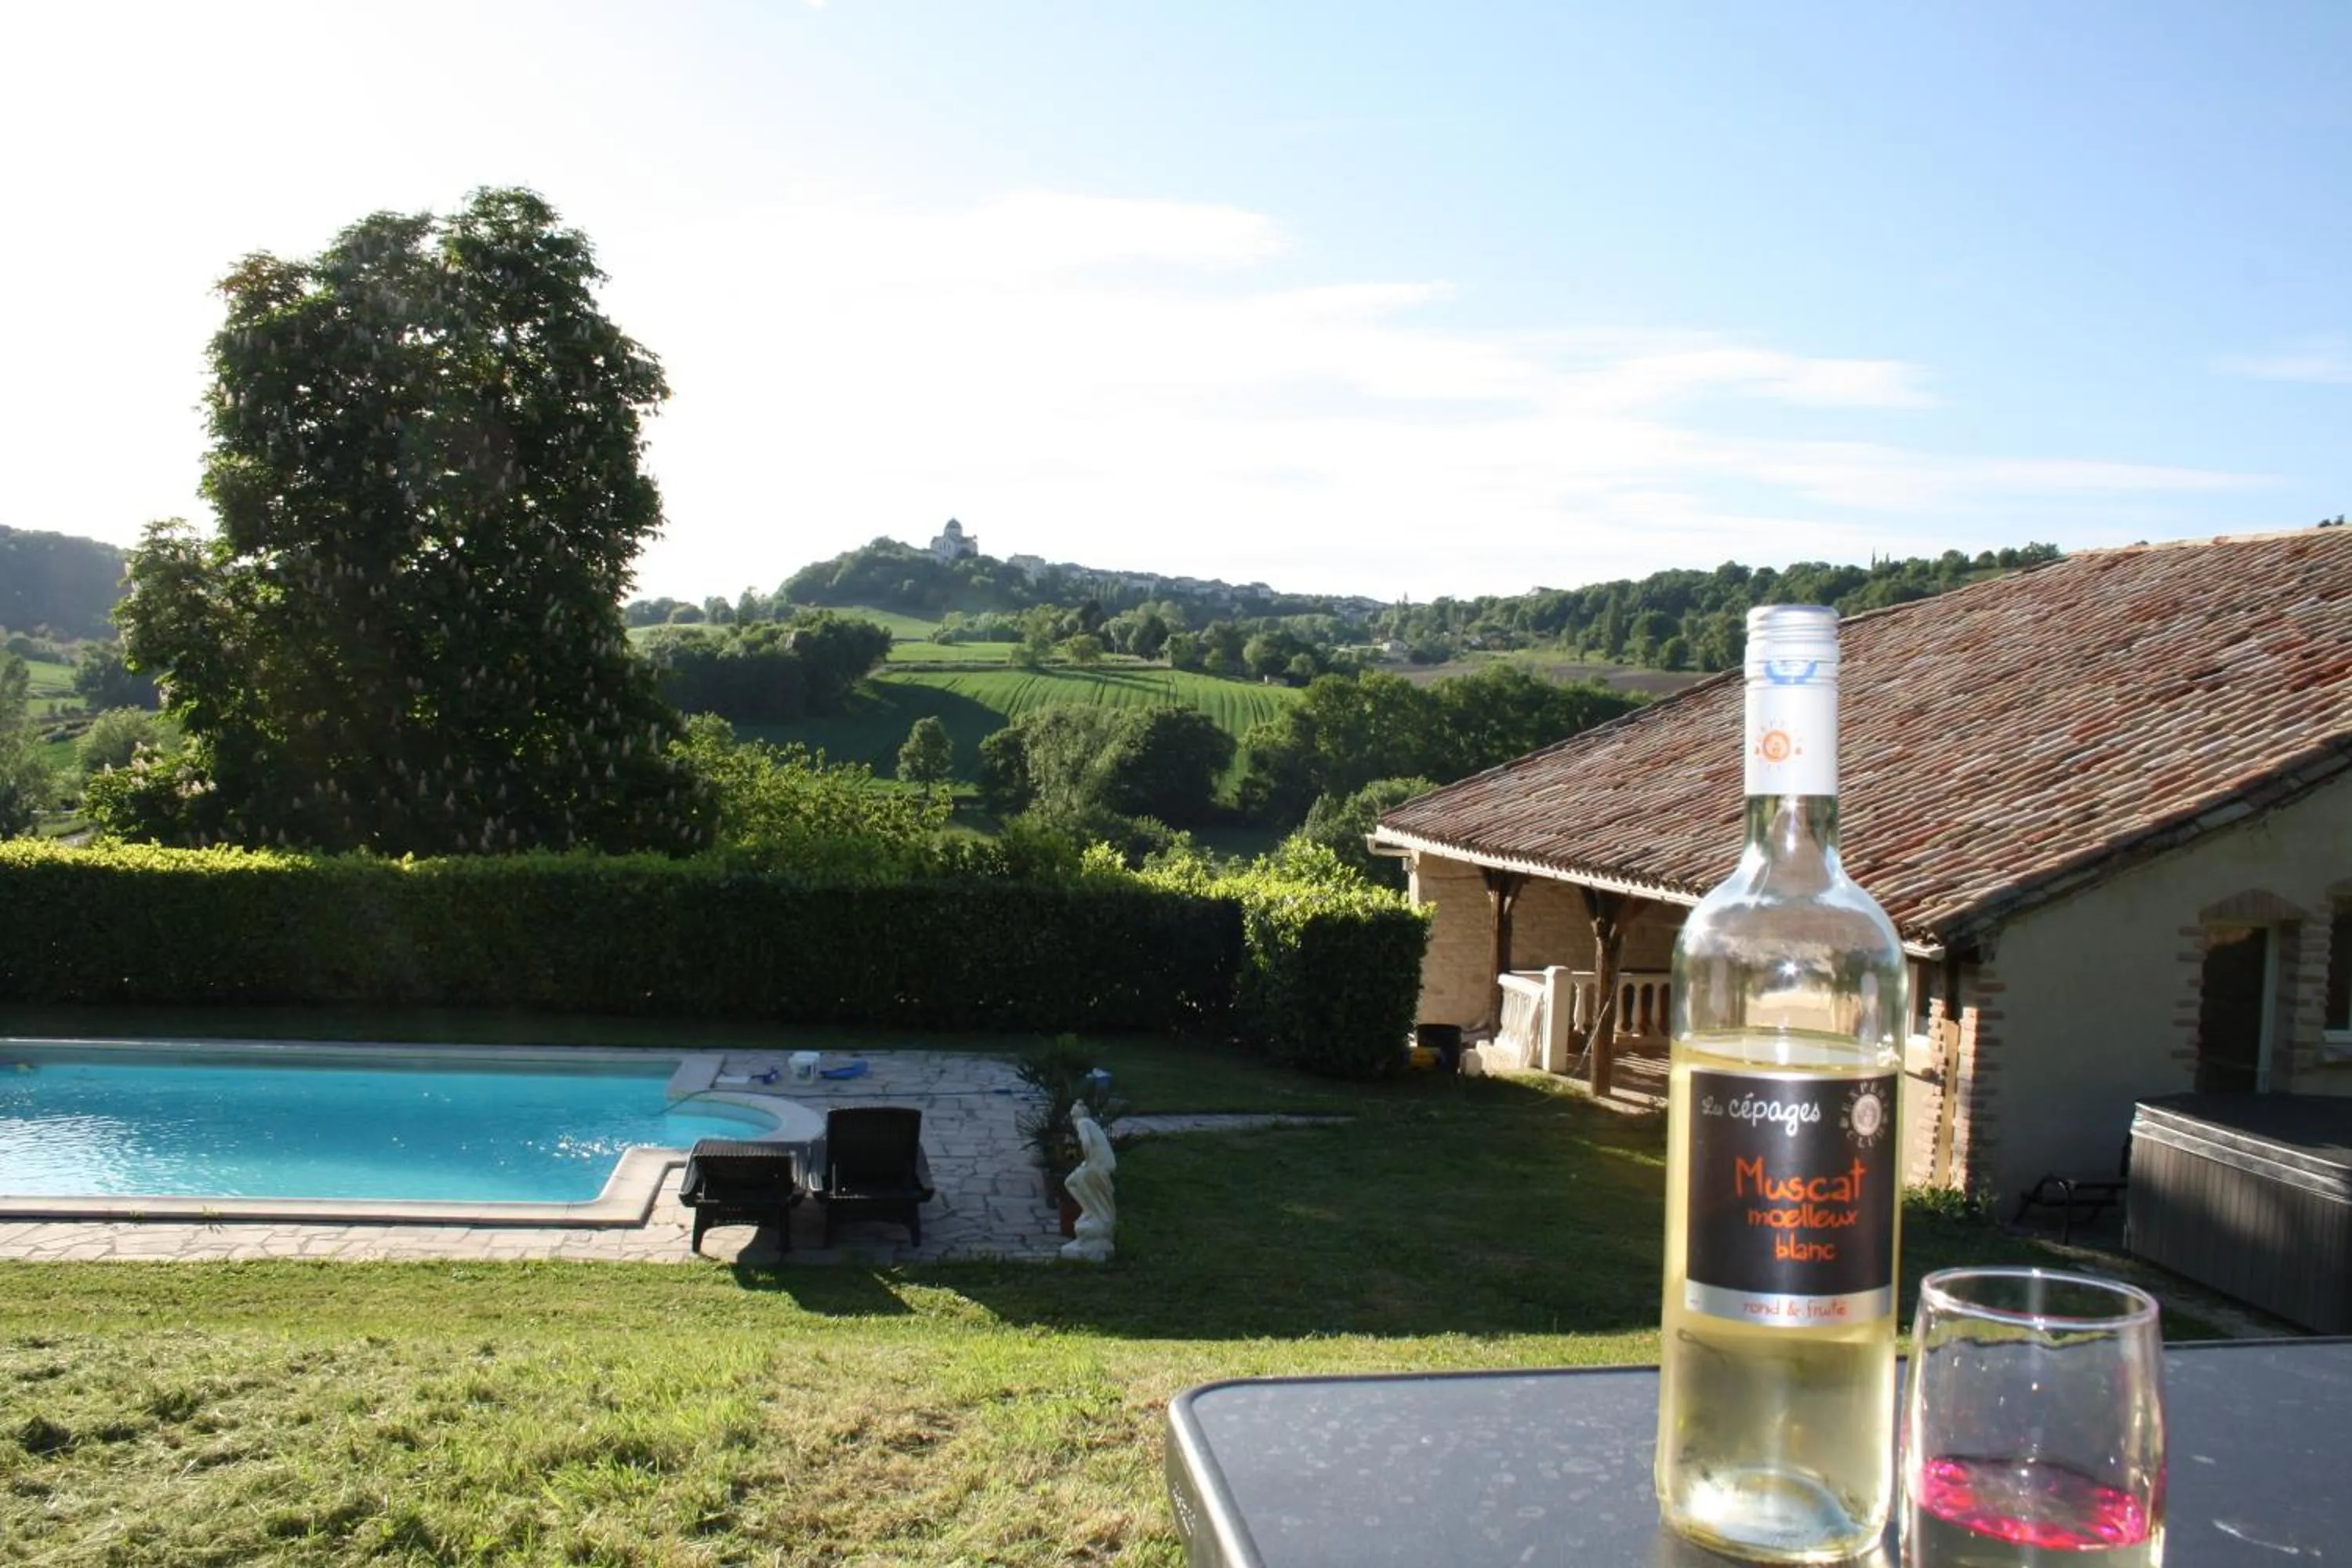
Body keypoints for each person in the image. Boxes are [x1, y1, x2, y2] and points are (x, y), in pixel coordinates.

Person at [1060, 1101, 1116, 1261]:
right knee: (1071, 1182)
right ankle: (1089, 1210)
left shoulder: (1083, 1122)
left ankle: (1094, 1213)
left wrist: (1087, 1161)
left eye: (1072, 1116)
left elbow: (1086, 1143)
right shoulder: (1091, 1123)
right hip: (1099, 1164)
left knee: (1075, 1181)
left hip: (1097, 1165)